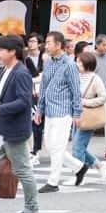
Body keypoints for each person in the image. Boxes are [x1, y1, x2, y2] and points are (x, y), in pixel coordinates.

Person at [0, 35, 39, 213]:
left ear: (12, 52)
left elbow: (23, 101)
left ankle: (31, 207)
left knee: (22, 169)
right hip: (0, 128)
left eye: (1, 49)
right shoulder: (7, 69)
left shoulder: (21, 73)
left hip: (13, 130)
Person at [35, 31, 83, 192]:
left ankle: (53, 181)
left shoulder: (70, 65)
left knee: (57, 146)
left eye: (49, 43)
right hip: (49, 110)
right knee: (50, 146)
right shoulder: (48, 62)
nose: (46, 46)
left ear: (58, 45)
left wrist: (77, 113)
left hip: (63, 111)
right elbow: (43, 87)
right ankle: (78, 167)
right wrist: (39, 109)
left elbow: (76, 90)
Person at [68, 51, 106, 186]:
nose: (77, 64)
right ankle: (99, 165)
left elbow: (103, 97)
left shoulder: (95, 78)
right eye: (76, 61)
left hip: (88, 116)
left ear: (87, 64)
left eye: (80, 62)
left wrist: (85, 102)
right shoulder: (75, 76)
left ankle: (78, 174)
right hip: (76, 115)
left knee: (77, 147)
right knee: (79, 146)